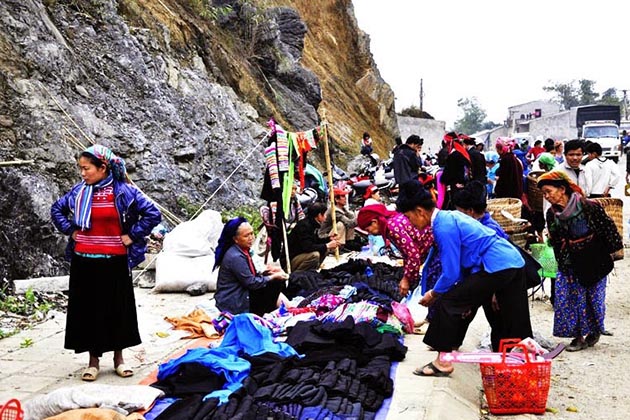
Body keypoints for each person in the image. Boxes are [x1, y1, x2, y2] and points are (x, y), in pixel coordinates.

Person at [396, 179, 532, 376]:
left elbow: (450, 272)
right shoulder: (448, 217)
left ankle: (443, 362)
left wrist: (434, 294)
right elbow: (460, 267)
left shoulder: (443, 226)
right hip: (512, 262)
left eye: (409, 218)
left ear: (420, 211)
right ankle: (518, 365)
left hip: (497, 264)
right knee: (509, 316)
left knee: (448, 303)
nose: (410, 223)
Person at [50, 144, 161, 382]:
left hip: (115, 261)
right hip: (84, 261)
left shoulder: (124, 191)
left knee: (117, 309)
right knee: (89, 311)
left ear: (102, 168)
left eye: (86, 168)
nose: (83, 173)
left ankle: (119, 360)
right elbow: (57, 209)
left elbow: (153, 214)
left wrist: (131, 236)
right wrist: (71, 230)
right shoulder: (78, 192)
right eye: (80, 168)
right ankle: (93, 362)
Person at [537, 171, 622, 351]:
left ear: (562, 189)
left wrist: (614, 251)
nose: (546, 196)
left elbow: (607, 227)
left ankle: (593, 331)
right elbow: (555, 239)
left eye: (548, 191)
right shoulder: (552, 214)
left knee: (593, 298)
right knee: (568, 299)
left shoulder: (589, 206)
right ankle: (577, 338)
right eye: (543, 193)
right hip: (569, 261)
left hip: (593, 258)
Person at [214, 217, 289, 316]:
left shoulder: (244, 250)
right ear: (235, 239)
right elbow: (251, 283)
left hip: (241, 292)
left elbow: (251, 273)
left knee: (274, 282)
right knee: (274, 284)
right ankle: (266, 313)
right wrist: (272, 277)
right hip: (234, 301)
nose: (251, 238)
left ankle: (277, 308)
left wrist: (267, 272)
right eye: (246, 236)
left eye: (252, 233)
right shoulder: (236, 257)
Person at [357, 204, 433, 297]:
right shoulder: (393, 221)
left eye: (368, 229)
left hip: (434, 248)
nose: (369, 233)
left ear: (374, 222)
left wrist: (406, 279)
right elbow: (408, 253)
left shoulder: (392, 227)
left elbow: (413, 254)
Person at [287, 203, 340, 272]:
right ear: (319, 215)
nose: (326, 216)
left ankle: (312, 271)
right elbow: (307, 247)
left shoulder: (312, 224)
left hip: (300, 255)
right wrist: (327, 245)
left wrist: (328, 240)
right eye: (324, 214)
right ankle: (299, 274)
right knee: (315, 255)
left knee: (324, 249)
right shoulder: (304, 226)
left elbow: (315, 241)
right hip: (291, 260)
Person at [439, 132, 472, 210]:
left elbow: (449, 172)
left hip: (455, 185)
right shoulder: (462, 153)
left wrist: (442, 179)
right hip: (462, 183)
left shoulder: (454, 155)